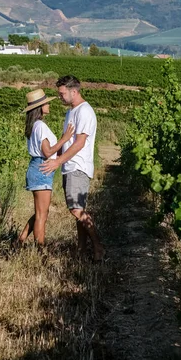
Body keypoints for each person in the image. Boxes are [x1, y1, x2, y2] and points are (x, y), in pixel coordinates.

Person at [41, 75, 104, 262]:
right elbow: (66, 140)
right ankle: (82, 251)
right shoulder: (71, 112)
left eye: (62, 94)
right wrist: (55, 158)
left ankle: (98, 247)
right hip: (69, 166)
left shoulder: (84, 111)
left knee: (76, 210)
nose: (60, 97)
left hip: (78, 165)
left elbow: (79, 143)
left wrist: (58, 161)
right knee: (78, 209)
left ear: (74, 91)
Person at [17, 88, 74, 248]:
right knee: (42, 215)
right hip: (42, 168)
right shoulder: (40, 126)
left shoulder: (34, 125)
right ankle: (40, 250)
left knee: (40, 212)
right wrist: (65, 139)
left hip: (37, 167)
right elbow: (47, 151)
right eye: (46, 103)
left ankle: (20, 240)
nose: (48, 104)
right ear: (40, 107)